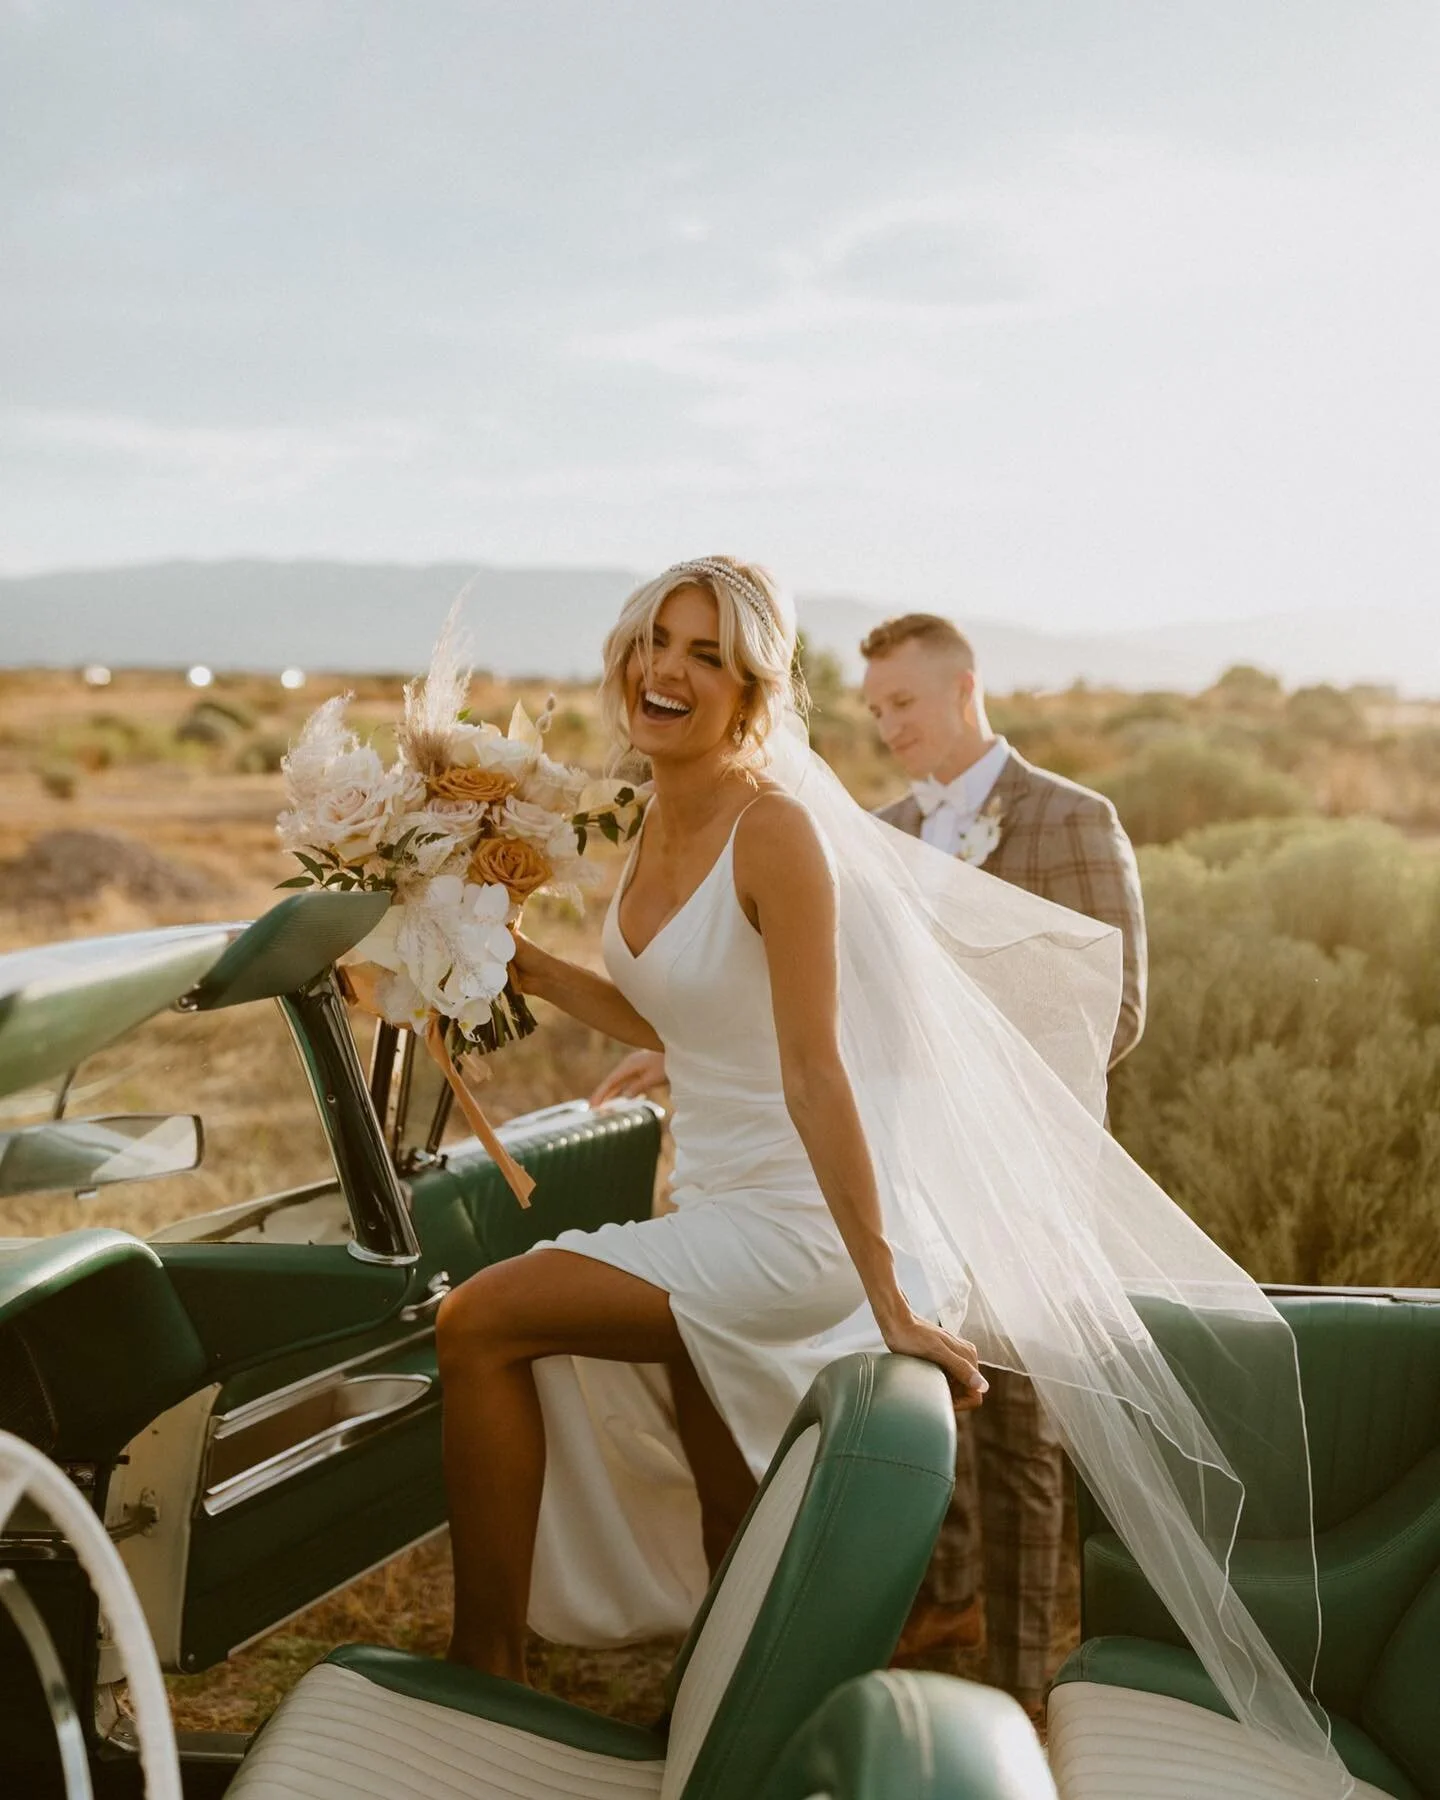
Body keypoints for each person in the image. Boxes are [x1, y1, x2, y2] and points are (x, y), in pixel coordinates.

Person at [436, 555, 1345, 1791]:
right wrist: (526, 965)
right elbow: (689, 1022)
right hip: (711, 1201)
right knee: (728, 1512)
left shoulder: (781, 833)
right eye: (660, 641)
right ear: (626, 656)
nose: (671, 670)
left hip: (797, 1228)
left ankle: (485, 1675)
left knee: (481, 1320)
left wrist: (887, 1294)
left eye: (710, 655)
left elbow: (817, 1071)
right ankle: (728, 1738)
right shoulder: (650, 810)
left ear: (754, 686)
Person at [860, 611, 1146, 1717]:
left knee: (1023, 1415)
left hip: (1024, 1160)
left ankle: (1023, 1683)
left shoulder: (1074, 818)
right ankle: (944, 1599)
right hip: (900, 1162)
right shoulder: (878, 833)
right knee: (923, 1387)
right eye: (875, 707)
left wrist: (973, 1082)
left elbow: (1116, 1011)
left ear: (965, 690)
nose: (886, 725)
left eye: (904, 704)